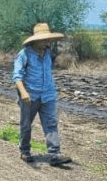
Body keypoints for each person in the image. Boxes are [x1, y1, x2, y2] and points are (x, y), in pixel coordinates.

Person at [12, 23, 71, 166]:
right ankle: (25, 151)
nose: (45, 42)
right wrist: (24, 93)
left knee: (51, 124)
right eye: (43, 40)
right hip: (29, 96)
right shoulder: (24, 54)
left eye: (47, 40)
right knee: (26, 124)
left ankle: (54, 155)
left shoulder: (48, 54)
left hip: (48, 95)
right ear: (35, 40)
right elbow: (17, 77)